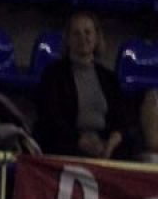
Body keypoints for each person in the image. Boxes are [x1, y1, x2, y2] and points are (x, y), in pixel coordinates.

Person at [35, 10, 130, 160]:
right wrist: (80, 141)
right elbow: (51, 118)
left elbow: (121, 119)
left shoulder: (109, 78)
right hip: (68, 144)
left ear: (96, 37)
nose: (83, 38)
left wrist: (111, 143)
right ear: (68, 40)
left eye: (87, 32)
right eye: (76, 33)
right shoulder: (53, 74)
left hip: (105, 145)